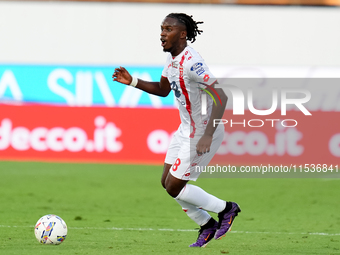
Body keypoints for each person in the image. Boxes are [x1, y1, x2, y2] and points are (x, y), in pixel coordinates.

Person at [112, 13, 240, 248]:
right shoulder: (172, 60)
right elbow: (163, 89)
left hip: (202, 131)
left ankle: (226, 209)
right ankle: (207, 224)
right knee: (166, 182)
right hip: (186, 130)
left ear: (182, 34)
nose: (162, 33)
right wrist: (132, 82)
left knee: (174, 186)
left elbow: (221, 96)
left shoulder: (193, 63)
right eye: (162, 28)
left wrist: (208, 135)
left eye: (168, 29)